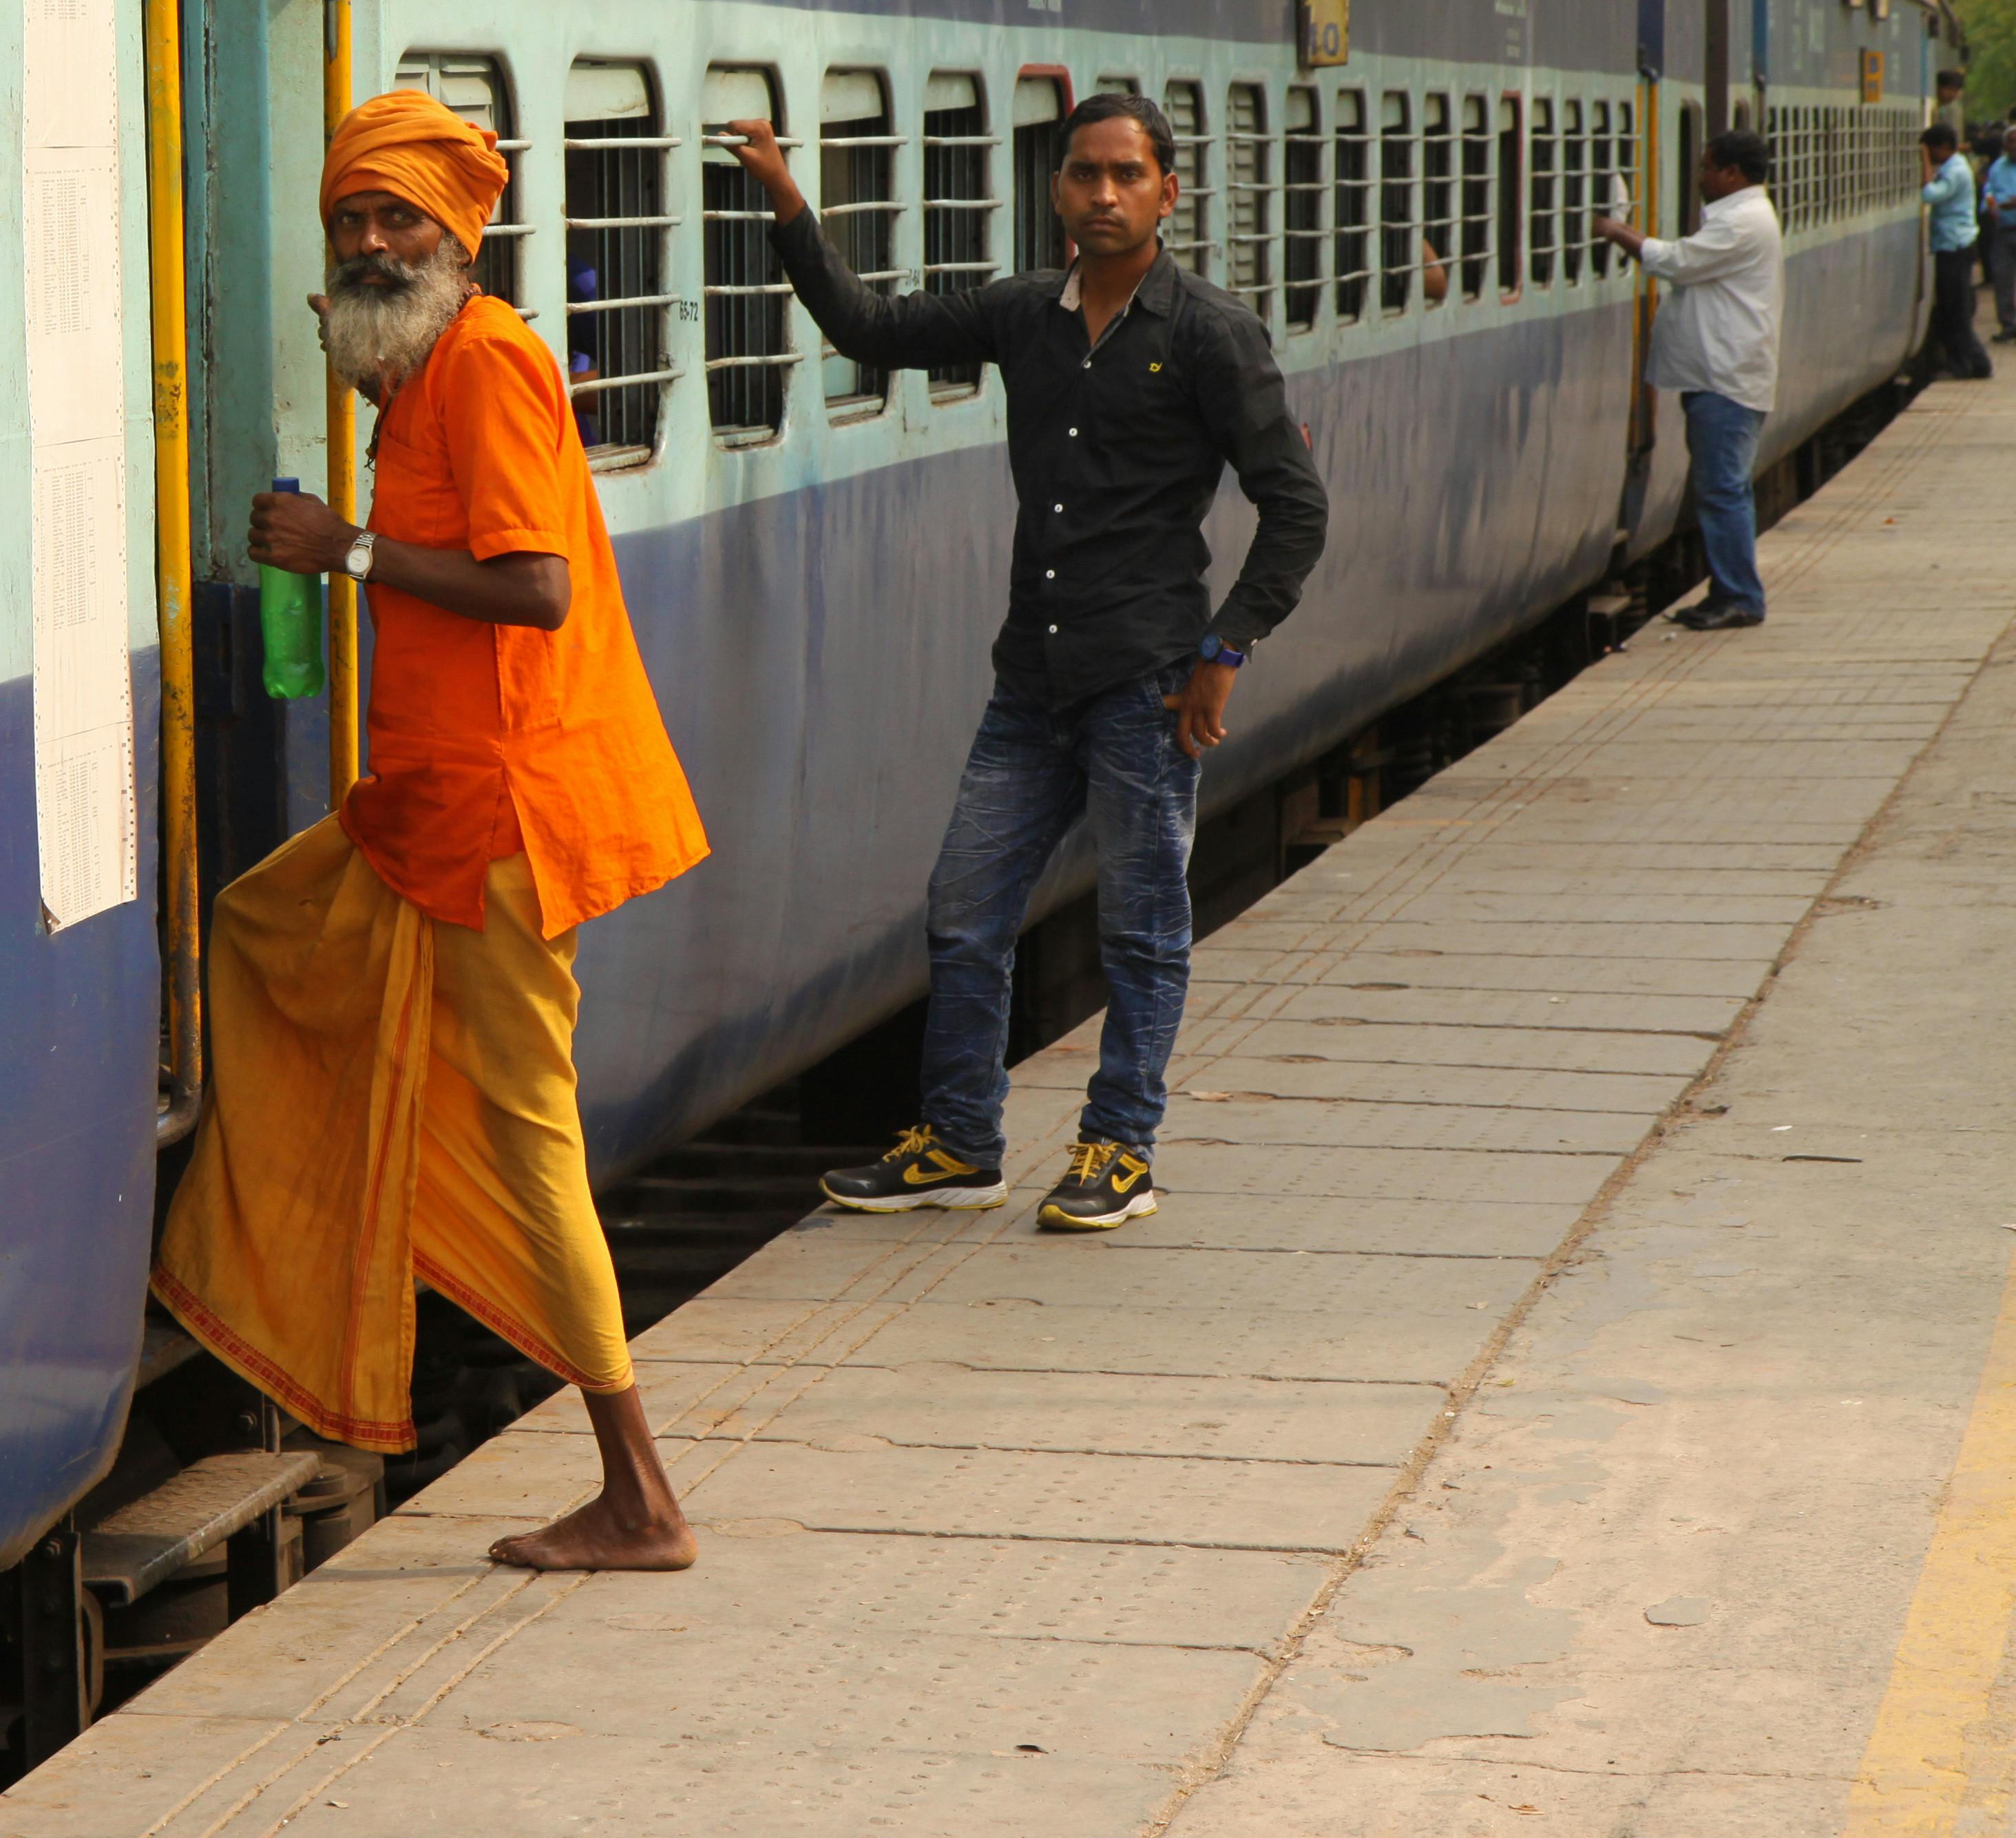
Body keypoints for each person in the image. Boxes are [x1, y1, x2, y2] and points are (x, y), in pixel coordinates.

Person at [155, 89, 711, 1572]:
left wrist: (342, 551)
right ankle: (310, 1273)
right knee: (263, 933)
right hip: (422, 817)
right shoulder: (415, 383)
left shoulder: (488, 367)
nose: (374, 241)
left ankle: (640, 1495)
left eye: (401, 218)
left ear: (460, 237)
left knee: (532, 1141)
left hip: (501, 825)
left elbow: (535, 590)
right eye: (352, 220)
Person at [719, 95, 1326, 1232]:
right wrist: (790, 203)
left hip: (1145, 682)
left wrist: (1224, 648)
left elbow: (1293, 508)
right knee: (962, 911)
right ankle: (958, 1139)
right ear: (1056, 190)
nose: (1103, 194)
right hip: (1032, 677)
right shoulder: (1023, 316)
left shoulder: (1207, 333)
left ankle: (1119, 1148)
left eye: (1126, 175)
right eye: (1083, 174)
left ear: (1167, 192)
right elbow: (870, 330)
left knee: (1140, 927)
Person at [1594, 129, 1785, 631]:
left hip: (1727, 380)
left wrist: (1618, 232)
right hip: (1720, 377)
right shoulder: (1744, 217)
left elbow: (1676, 262)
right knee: (1722, 490)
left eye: (1705, 168)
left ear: (1732, 174)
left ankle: (1740, 596)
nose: (1699, 177)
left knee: (1722, 491)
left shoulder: (1742, 222)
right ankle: (1727, 591)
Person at [1920, 125, 1993, 383]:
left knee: (1957, 309)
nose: (1931, 156)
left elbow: (1929, 195)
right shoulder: (1954, 167)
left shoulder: (1956, 171)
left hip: (1956, 247)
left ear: (1942, 147)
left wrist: (1925, 164)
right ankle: (1965, 363)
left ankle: (1975, 363)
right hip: (1950, 246)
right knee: (1950, 308)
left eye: (1931, 151)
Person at [1985, 112, 2016, 344]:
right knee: (2003, 278)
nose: (2014, 146)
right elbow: (1988, 192)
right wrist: (1991, 204)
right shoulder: (1998, 167)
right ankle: (2008, 324)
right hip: (2004, 230)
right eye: (2011, 141)